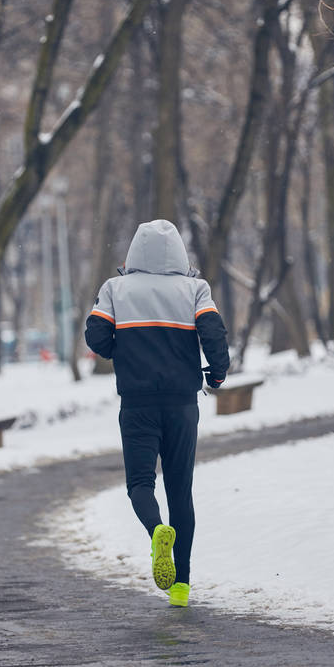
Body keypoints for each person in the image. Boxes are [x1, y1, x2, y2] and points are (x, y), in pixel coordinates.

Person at [85, 219, 229, 608]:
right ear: (179, 253)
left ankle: (156, 531)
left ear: (135, 251)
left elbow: (96, 336)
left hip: (138, 405)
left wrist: (127, 354)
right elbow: (213, 333)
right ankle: (181, 587)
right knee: (180, 491)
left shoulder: (115, 289)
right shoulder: (195, 288)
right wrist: (216, 374)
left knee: (140, 484)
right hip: (183, 404)